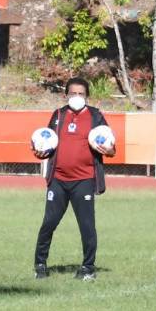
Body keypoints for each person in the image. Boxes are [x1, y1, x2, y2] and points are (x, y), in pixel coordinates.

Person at [32, 77, 114, 281]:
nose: (77, 97)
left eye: (81, 94)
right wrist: (39, 152)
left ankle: (88, 268)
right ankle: (40, 265)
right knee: (48, 223)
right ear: (66, 95)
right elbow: (46, 142)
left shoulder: (96, 116)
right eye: (73, 93)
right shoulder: (58, 115)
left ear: (87, 96)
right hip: (58, 180)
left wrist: (110, 150)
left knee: (87, 226)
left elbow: (110, 145)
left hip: (84, 181)